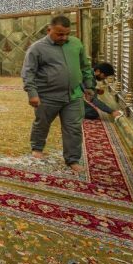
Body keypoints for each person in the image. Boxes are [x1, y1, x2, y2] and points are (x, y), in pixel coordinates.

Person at [21, 15, 95, 173]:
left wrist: (89, 85)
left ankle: (73, 159)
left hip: (73, 95)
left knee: (73, 128)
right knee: (42, 123)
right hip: (47, 96)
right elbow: (28, 72)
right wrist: (32, 93)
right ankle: (37, 148)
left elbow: (85, 66)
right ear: (49, 30)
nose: (64, 37)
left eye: (67, 33)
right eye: (60, 34)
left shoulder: (75, 44)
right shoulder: (37, 48)